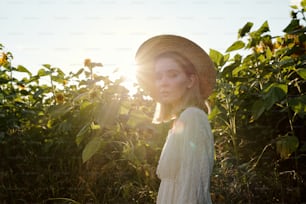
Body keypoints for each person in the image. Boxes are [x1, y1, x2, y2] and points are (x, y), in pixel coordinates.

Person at [135, 34, 216, 204]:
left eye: (172, 75)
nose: (163, 83)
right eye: (159, 76)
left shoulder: (192, 117)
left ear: (190, 80)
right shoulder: (182, 119)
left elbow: (193, 186)